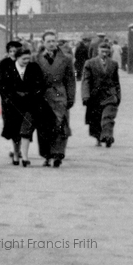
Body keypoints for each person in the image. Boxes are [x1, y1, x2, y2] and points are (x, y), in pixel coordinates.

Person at [0, 46, 45, 166]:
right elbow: (2, 86)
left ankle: (25, 157)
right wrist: (8, 98)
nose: (27, 61)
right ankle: (16, 154)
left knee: (26, 131)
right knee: (15, 132)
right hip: (13, 105)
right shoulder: (8, 69)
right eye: (24, 59)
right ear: (17, 58)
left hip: (30, 104)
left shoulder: (34, 67)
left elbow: (41, 84)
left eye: (28, 58)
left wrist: (34, 95)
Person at [34, 31, 76, 167]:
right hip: (42, 96)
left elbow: (70, 80)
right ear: (43, 43)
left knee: (60, 124)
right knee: (44, 127)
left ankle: (57, 154)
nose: (52, 44)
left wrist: (71, 98)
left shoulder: (66, 59)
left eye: (54, 41)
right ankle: (46, 155)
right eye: (49, 41)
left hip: (59, 95)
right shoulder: (36, 58)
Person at [82, 42, 121, 147]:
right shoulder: (89, 63)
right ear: (98, 51)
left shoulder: (113, 64)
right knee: (95, 118)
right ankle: (98, 138)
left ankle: (108, 136)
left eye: (106, 51)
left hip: (109, 95)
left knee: (108, 116)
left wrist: (118, 96)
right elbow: (86, 80)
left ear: (109, 52)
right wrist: (85, 95)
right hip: (95, 95)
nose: (104, 53)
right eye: (102, 51)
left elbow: (116, 81)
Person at [0, 40, 22, 162]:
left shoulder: (24, 62)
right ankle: (16, 150)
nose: (12, 53)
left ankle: (17, 150)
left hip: (22, 100)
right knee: (12, 126)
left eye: (15, 51)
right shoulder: (4, 64)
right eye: (10, 51)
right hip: (9, 101)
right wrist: (4, 96)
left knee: (21, 126)